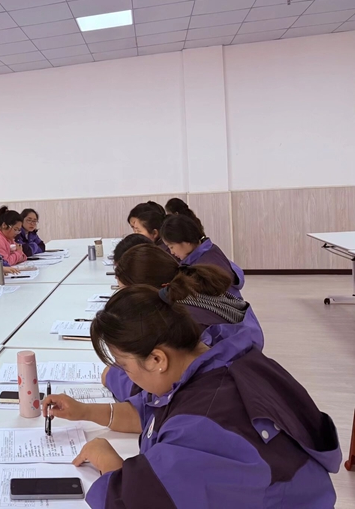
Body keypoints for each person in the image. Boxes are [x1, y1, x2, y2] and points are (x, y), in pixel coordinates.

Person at [43, 286, 341, 509]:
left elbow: (134, 500)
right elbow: (153, 413)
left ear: (157, 359)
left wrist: (108, 461)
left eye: (125, 367)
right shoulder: (222, 360)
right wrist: (86, 411)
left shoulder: (201, 427)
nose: (126, 376)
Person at [105, 244, 263, 401]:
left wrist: (113, 377)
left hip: (221, 392)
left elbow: (163, 391)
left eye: (127, 293)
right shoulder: (192, 291)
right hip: (245, 378)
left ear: (146, 292)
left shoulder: (182, 320)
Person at [161, 213, 245, 297]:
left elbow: (205, 298)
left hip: (227, 304)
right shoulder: (207, 251)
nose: (172, 252)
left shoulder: (207, 262)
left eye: (171, 247)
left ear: (186, 241)